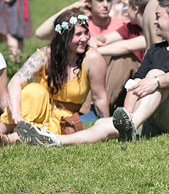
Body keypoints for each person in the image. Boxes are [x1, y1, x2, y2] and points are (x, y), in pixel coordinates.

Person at [17, 0, 169, 146]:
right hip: (151, 118)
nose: (154, 22)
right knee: (103, 124)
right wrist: (126, 115)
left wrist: (156, 81)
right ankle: (56, 140)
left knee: (155, 75)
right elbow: (134, 85)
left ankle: (133, 122)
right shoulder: (155, 50)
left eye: (158, 16)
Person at [0, 11, 108, 145]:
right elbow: (15, 82)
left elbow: (100, 97)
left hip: (63, 119)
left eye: (86, 33)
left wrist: (106, 127)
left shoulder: (92, 58)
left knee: (40, 131)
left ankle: (7, 139)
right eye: (78, 34)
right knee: (34, 90)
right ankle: (4, 129)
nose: (85, 38)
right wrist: (16, 114)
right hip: (35, 109)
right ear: (64, 37)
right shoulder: (46, 54)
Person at [93, 0, 155, 111]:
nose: (125, 10)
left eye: (128, 7)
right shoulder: (131, 27)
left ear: (136, 9)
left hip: (147, 77)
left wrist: (94, 51)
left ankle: (104, 105)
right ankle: (91, 103)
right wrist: (94, 40)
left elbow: (126, 46)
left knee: (123, 60)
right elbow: (107, 38)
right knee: (103, 57)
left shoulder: (154, 30)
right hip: (130, 81)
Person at [35, 0, 126, 42]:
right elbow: (40, 34)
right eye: (100, 0)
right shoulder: (79, 26)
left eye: (109, 0)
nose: (106, 4)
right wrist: (67, 10)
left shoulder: (122, 24)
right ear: (88, 2)